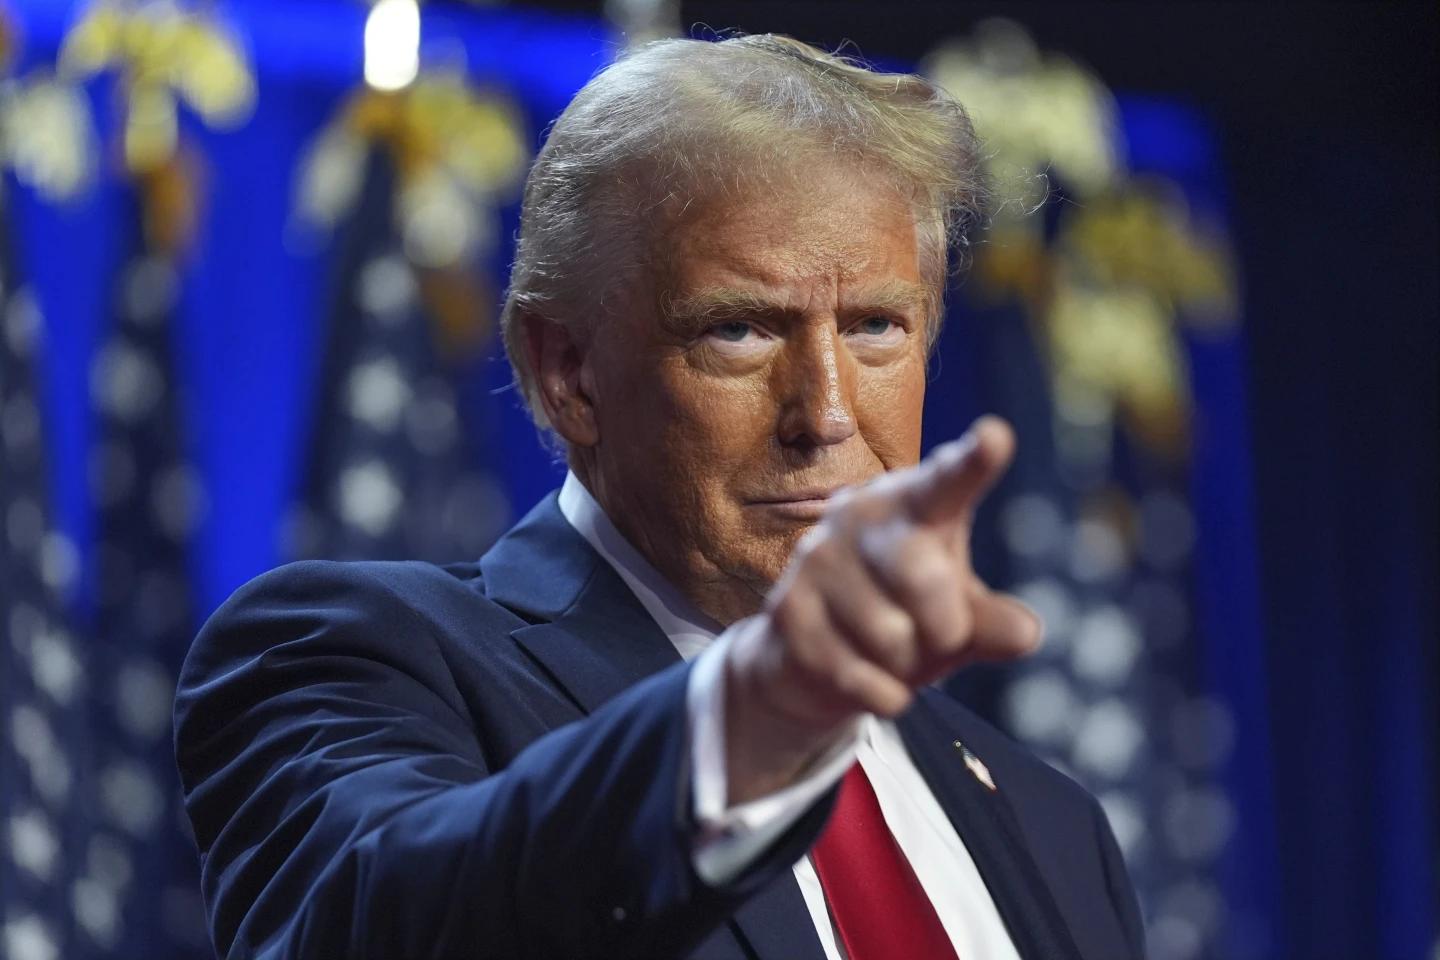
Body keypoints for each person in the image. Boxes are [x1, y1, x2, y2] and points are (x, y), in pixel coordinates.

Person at [175, 34, 1144, 960]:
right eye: (739, 331)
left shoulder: (1054, 827)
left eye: (877, 326)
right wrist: (755, 724)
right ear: (569, 373)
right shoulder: (345, 659)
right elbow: (383, 927)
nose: (828, 413)